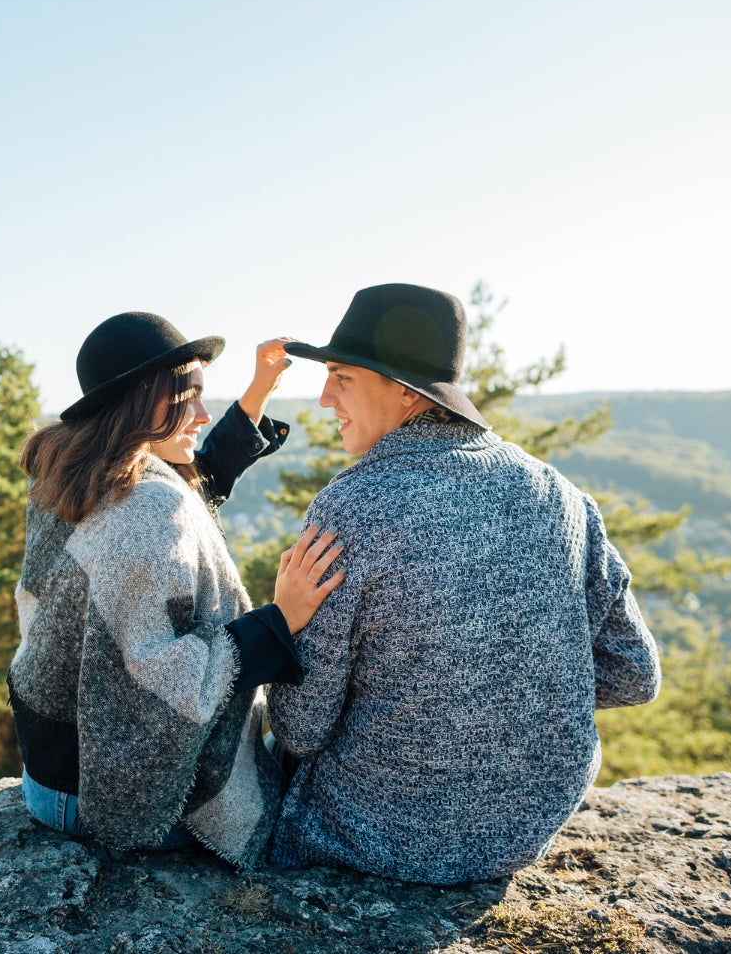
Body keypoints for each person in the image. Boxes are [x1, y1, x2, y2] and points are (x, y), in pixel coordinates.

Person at [267, 283, 661, 885]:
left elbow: (301, 730)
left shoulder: (354, 506)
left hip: (376, 830)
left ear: (404, 392)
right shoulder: (562, 495)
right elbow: (634, 674)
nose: (323, 399)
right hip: (524, 829)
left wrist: (280, 625)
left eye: (342, 377)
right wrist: (502, 704)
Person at [8, 311, 344, 868]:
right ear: (141, 406)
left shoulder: (75, 469)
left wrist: (257, 394)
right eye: (187, 399)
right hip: (96, 798)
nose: (203, 414)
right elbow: (172, 685)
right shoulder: (147, 512)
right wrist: (279, 620)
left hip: (48, 778)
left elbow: (192, 482)